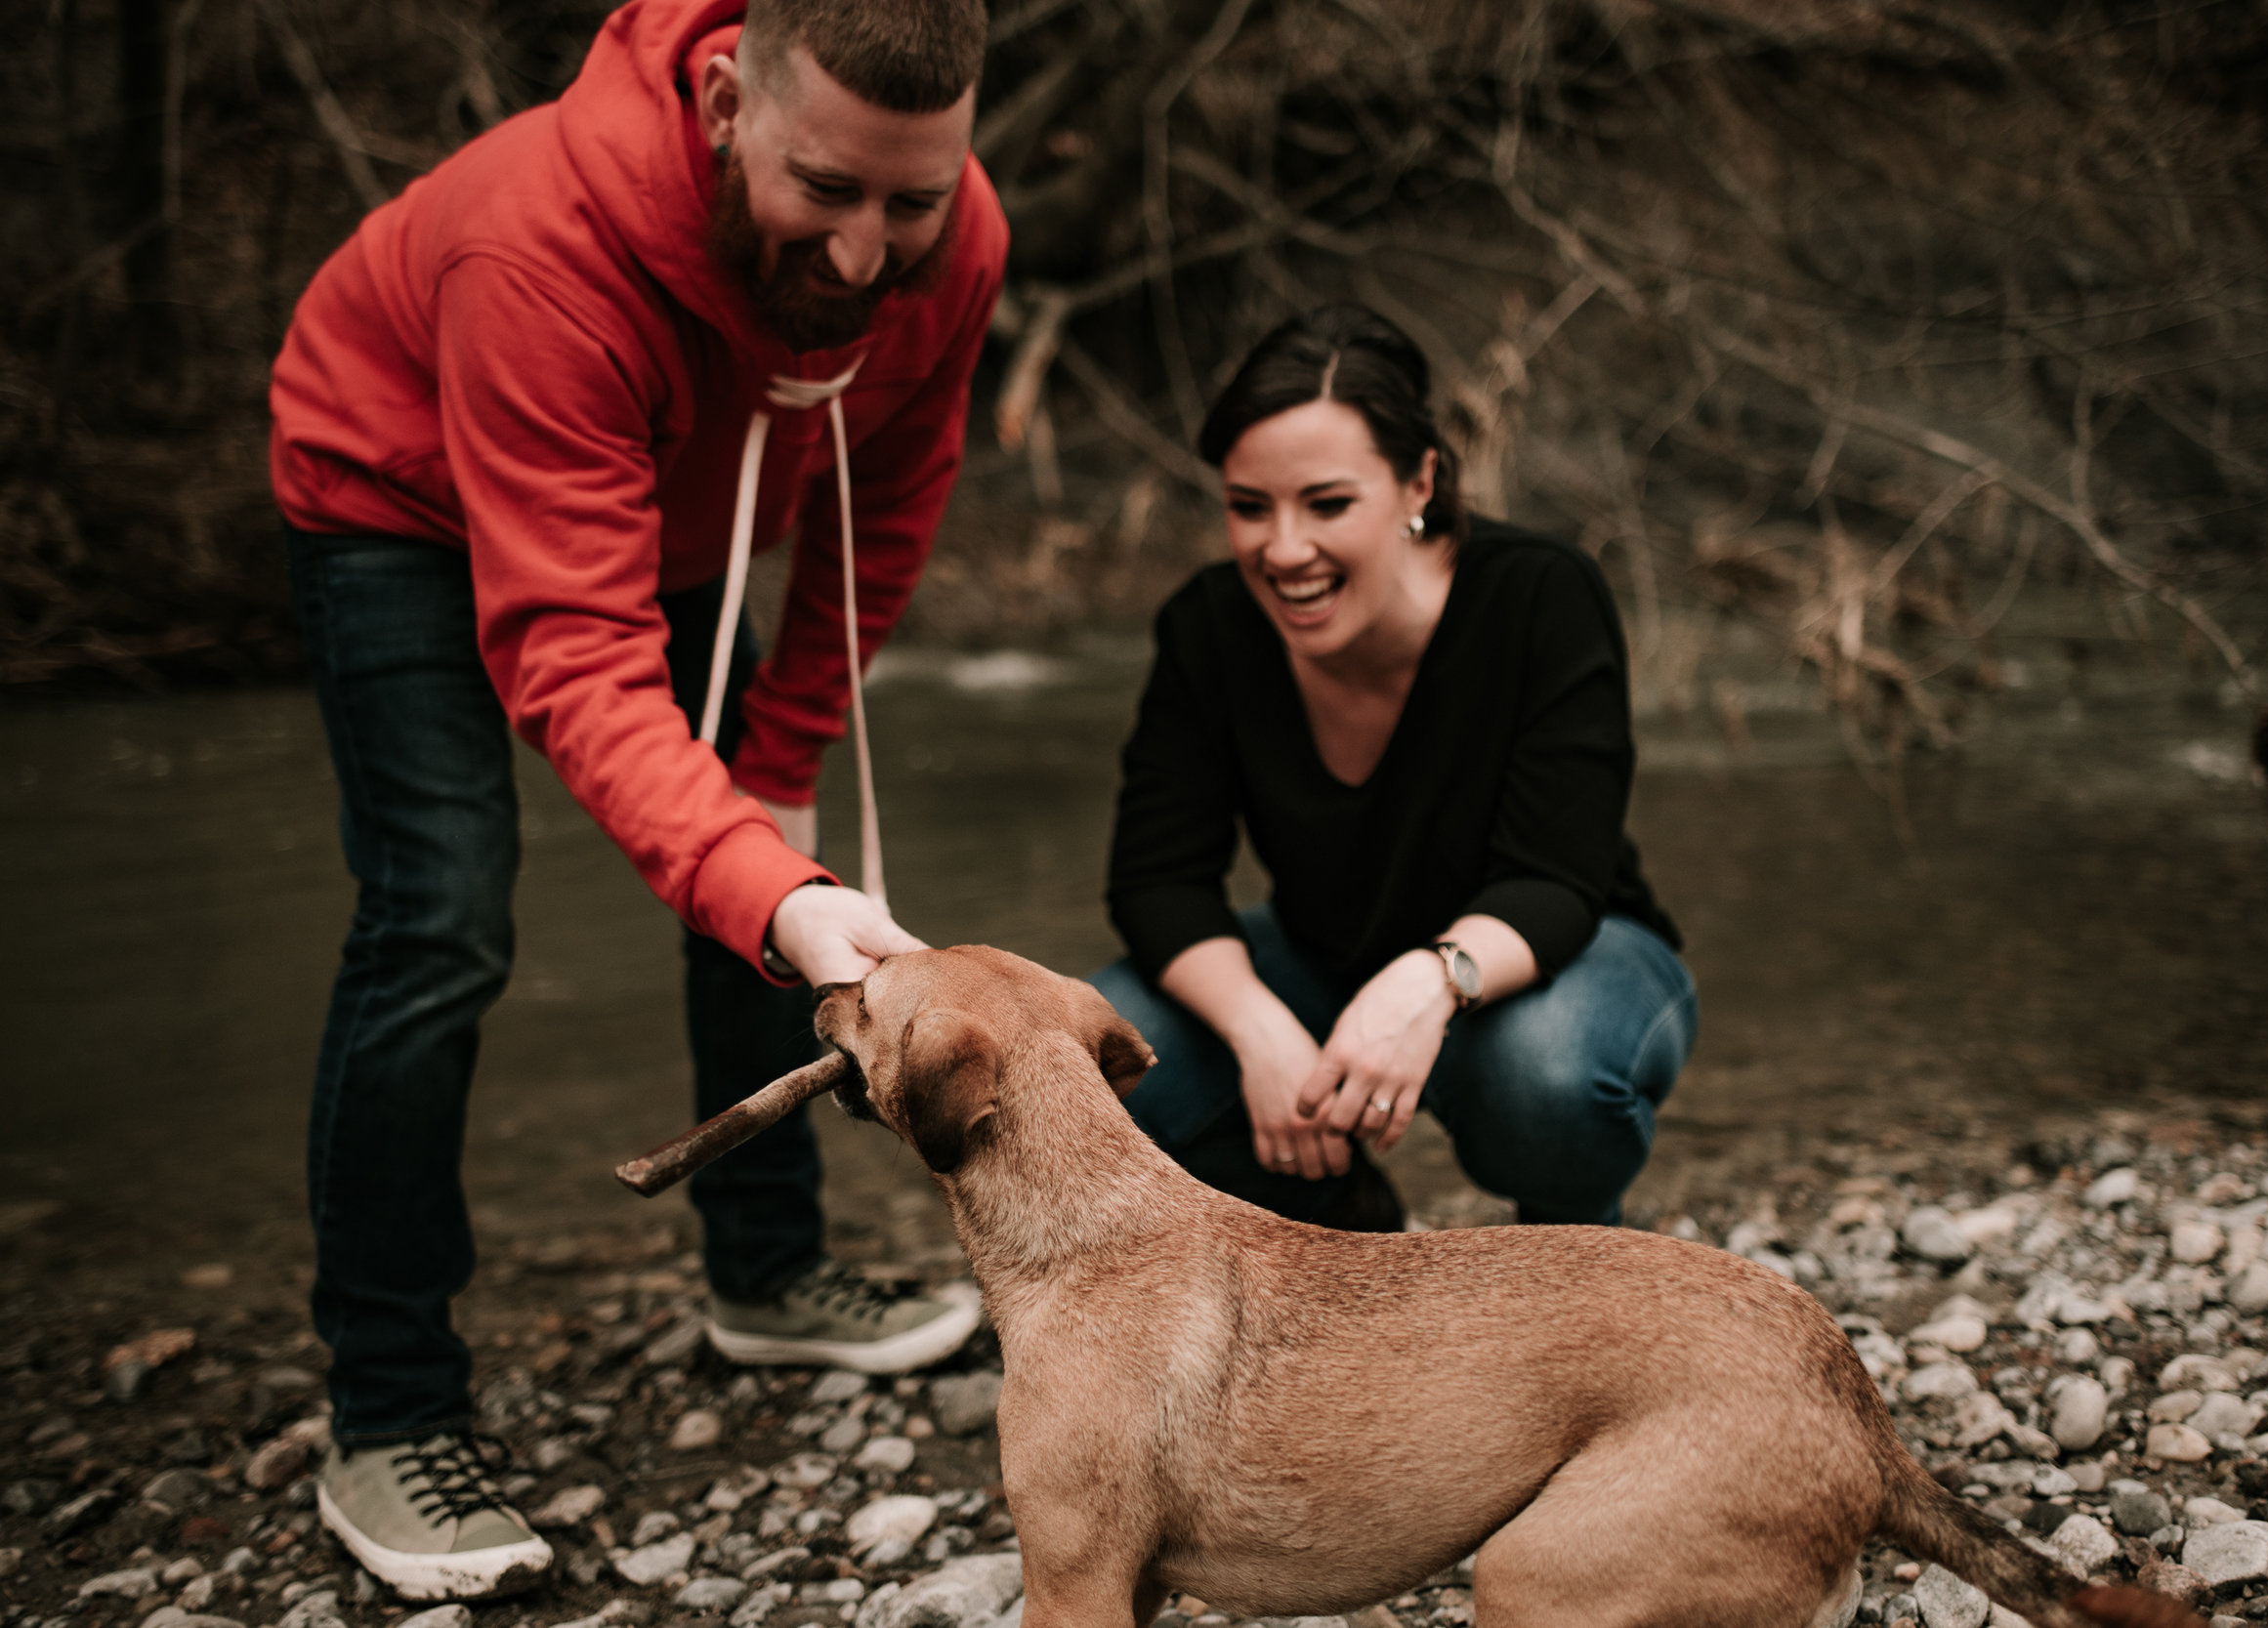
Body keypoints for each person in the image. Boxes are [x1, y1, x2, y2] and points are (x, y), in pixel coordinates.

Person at [269, 0, 1003, 1599]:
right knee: (442, 916)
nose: (873, 255)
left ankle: (769, 1272)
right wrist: (779, 889)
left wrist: (789, 758)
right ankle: (385, 1407)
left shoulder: (960, 234)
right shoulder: (539, 251)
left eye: (914, 203)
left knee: (752, 824)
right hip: (396, 502)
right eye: (828, 191)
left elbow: (890, 494)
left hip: (666, 512)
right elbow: (575, 656)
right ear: (730, 96)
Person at [1092, 305, 1696, 1232]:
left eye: (1327, 504)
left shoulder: (1540, 596)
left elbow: (1557, 876)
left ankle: (1575, 1252)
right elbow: (1158, 876)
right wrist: (1260, 1030)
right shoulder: (1208, 627)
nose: (1282, 549)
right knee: (1098, 1059)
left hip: (1553, 955)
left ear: (1419, 481)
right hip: (1321, 956)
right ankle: (1330, 1212)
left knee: (1547, 1072)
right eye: (1250, 507)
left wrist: (1431, 980)